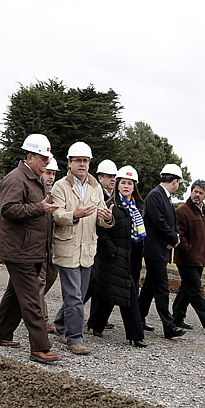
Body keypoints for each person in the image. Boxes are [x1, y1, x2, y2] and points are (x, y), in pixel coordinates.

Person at [0, 133, 61, 364]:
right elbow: (9, 210)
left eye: (47, 158)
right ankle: (40, 348)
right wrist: (39, 208)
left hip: (32, 249)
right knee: (31, 300)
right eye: (42, 158)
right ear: (29, 156)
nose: (46, 162)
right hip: (20, 251)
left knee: (14, 296)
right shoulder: (15, 179)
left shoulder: (36, 179)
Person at [51, 142, 114, 355]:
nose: (82, 164)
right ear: (69, 163)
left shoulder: (96, 188)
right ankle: (74, 338)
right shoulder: (60, 187)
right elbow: (56, 214)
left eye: (85, 161)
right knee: (74, 297)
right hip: (67, 248)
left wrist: (107, 218)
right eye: (78, 160)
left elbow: (102, 218)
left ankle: (61, 324)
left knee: (79, 293)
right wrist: (73, 215)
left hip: (87, 251)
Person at [89, 165, 148, 348]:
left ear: (134, 186)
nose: (126, 186)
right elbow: (101, 231)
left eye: (130, 183)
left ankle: (95, 325)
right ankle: (136, 335)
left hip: (132, 258)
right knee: (128, 293)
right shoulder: (111, 205)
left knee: (110, 292)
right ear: (118, 185)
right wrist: (112, 250)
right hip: (114, 257)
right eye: (123, 182)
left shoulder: (138, 207)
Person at [138, 163, 186, 339]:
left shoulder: (163, 197)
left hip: (161, 250)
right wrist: (173, 239)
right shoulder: (155, 196)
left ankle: (138, 317)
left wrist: (175, 236)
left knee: (150, 287)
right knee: (162, 288)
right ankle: (169, 326)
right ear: (174, 181)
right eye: (179, 182)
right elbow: (159, 222)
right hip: (155, 250)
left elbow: (171, 222)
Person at [173, 179, 205, 334]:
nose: (197, 195)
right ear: (191, 192)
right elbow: (179, 233)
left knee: (186, 289)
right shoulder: (182, 211)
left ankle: (177, 318)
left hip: (201, 259)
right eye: (195, 191)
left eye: (201, 193)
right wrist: (187, 249)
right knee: (195, 289)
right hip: (186, 259)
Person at [83, 159, 119, 320]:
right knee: (91, 282)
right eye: (108, 176)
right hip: (96, 245)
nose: (112, 179)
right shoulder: (96, 194)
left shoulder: (113, 196)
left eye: (114, 176)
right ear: (100, 177)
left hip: (106, 249)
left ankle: (95, 318)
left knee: (99, 283)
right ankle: (70, 314)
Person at [37, 156, 59, 334]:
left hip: (53, 246)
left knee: (50, 277)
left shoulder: (56, 193)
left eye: (53, 173)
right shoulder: (36, 191)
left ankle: (29, 308)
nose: (51, 176)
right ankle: (41, 320)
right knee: (40, 282)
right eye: (48, 172)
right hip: (37, 245)